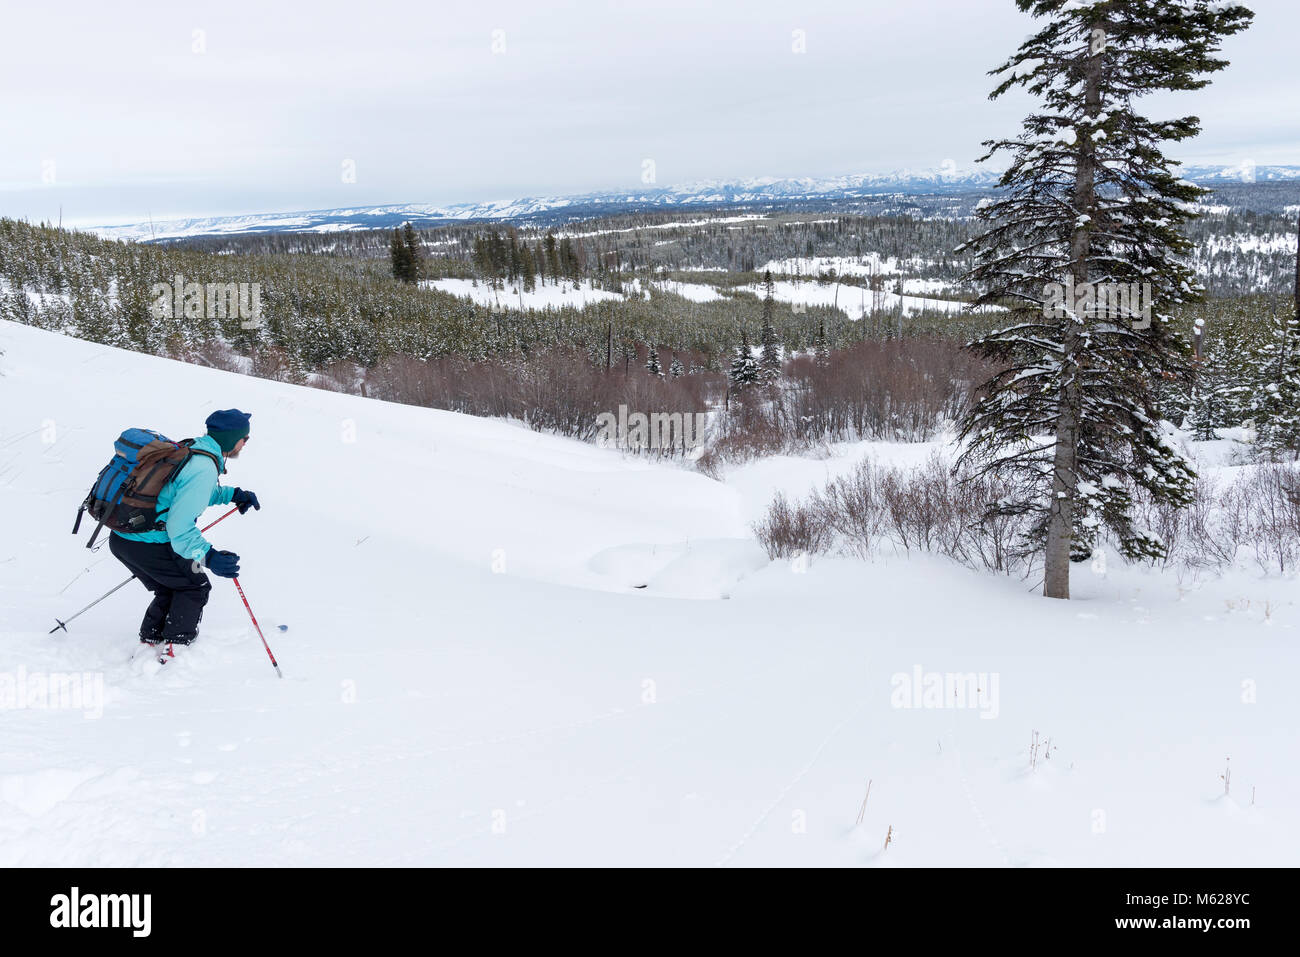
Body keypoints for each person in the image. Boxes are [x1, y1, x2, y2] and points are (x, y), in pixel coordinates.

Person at [108, 409, 260, 647]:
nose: (245, 443)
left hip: (124, 539)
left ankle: (151, 642)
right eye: (245, 438)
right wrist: (209, 557)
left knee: (172, 586)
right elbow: (179, 528)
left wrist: (233, 495)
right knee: (194, 587)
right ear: (232, 439)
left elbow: (186, 493)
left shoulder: (193, 449)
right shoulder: (203, 467)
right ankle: (175, 648)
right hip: (147, 543)